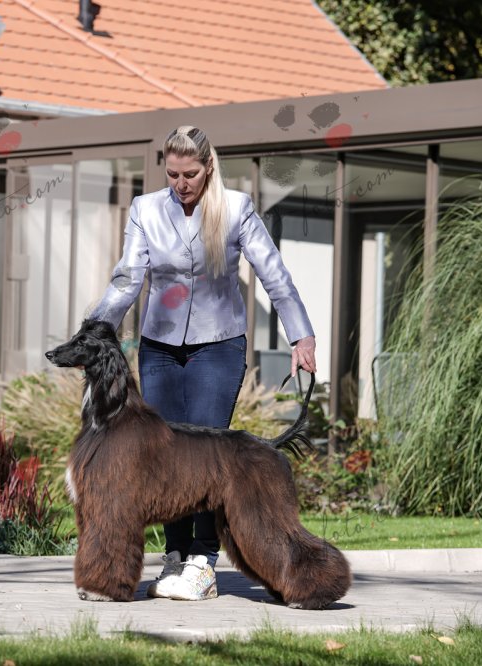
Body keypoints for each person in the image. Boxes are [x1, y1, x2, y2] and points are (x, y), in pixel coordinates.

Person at [89, 125, 316, 601]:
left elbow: (274, 274)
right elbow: (128, 279)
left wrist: (301, 335)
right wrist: (95, 331)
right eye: (172, 174)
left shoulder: (235, 208)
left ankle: (203, 561)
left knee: (208, 458)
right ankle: (174, 559)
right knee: (165, 456)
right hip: (159, 347)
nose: (180, 184)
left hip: (219, 345)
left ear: (208, 167)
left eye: (189, 174)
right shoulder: (146, 209)